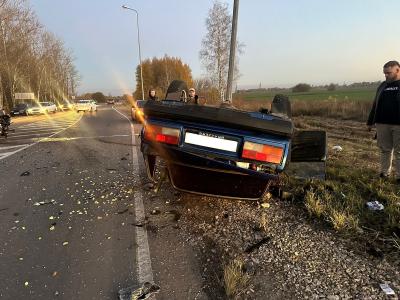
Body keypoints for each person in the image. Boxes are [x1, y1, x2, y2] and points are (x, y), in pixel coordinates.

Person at [367, 60, 400, 181]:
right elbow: (375, 104)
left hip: (398, 125)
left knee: (399, 152)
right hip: (382, 124)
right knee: (385, 149)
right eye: (384, 73)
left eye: (388, 73)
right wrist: (370, 122)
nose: (386, 75)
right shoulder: (382, 85)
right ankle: (384, 173)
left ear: (397, 70)